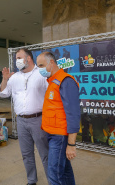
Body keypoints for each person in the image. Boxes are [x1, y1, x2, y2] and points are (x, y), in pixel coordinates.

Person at [0, 48, 49, 185]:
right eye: (16, 58)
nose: (17, 61)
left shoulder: (41, 74)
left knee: (45, 154)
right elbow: (3, 93)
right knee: (26, 154)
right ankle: (31, 180)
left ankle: (53, 180)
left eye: (19, 58)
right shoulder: (14, 77)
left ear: (29, 59)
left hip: (38, 119)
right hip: (21, 121)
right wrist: (4, 79)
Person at [37, 52, 80, 185]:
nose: (39, 69)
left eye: (41, 65)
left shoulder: (66, 81)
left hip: (59, 137)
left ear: (51, 63)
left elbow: (73, 114)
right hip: (51, 134)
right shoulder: (52, 81)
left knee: (54, 174)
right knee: (65, 170)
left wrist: (71, 144)